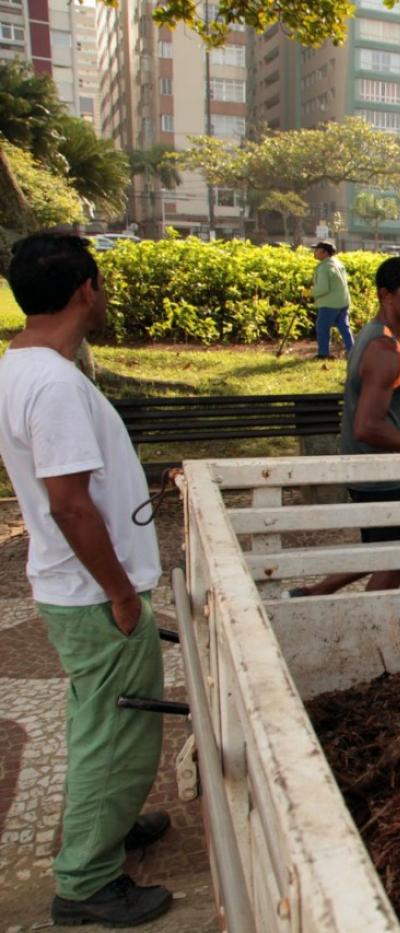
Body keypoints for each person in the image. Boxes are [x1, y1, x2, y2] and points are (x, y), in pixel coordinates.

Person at [0, 233, 172, 927]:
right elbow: (70, 502)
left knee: (99, 721)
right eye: (99, 285)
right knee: (116, 729)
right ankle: (87, 880)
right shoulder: (56, 384)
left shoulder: (19, 366)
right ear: (84, 290)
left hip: (71, 587)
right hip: (95, 592)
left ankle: (112, 821)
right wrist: (123, 594)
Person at [289, 256, 400, 597]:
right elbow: (367, 427)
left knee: (384, 546)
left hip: (366, 468)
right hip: (378, 472)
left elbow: (369, 396)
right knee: (398, 553)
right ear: (386, 294)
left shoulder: (372, 335)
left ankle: (315, 592)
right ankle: (370, 621)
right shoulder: (384, 348)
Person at [310, 241, 353, 359]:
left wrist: (310, 292)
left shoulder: (324, 267)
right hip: (343, 301)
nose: (314, 252)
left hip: (329, 303)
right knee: (344, 327)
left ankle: (323, 354)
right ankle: (353, 351)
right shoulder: (338, 263)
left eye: (317, 250)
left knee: (322, 328)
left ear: (324, 252)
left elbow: (323, 288)